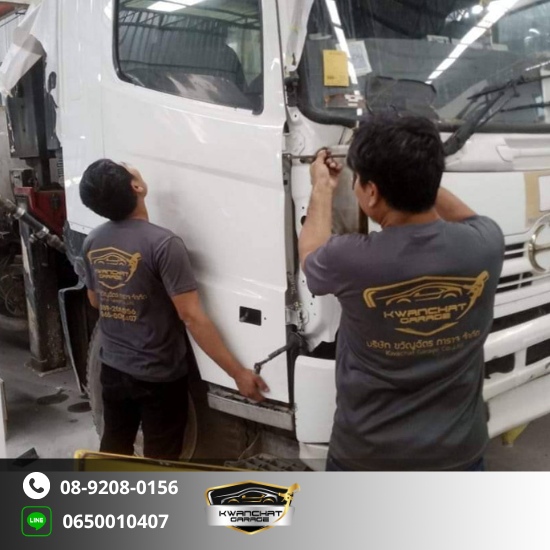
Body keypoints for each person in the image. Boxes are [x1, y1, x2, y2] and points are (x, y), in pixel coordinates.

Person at [299, 115, 504, 471]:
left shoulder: (350, 259)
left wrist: (322, 187)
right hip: (460, 455)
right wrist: (416, 174)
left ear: (372, 192)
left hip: (368, 458)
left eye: (358, 181)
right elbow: (467, 218)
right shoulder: (486, 243)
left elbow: (310, 255)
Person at [79, 159, 268, 460]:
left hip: (113, 367)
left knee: (114, 447)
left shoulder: (94, 240)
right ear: (136, 187)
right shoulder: (164, 244)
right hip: (158, 376)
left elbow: (95, 300)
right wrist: (237, 373)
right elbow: (191, 316)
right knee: (161, 460)